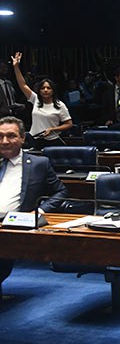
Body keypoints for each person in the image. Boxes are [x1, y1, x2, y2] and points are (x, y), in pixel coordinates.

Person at [0, 115, 68, 297]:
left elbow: (60, 192)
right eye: (0, 136)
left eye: (11, 136)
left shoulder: (38, 164)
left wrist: (38, 212)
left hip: (12, 227)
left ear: (22, 138)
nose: (4, 141)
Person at [10, 53, 72, 150]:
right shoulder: (36, 99)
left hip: (53, 140)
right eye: (43, 88)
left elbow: (69, 124)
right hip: (34, 139)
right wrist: (16, 67)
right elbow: (23, 85)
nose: (46, 90)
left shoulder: (60, 105)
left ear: (53, 90)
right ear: (39, 90)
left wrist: (53, 129)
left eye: (48, 88)